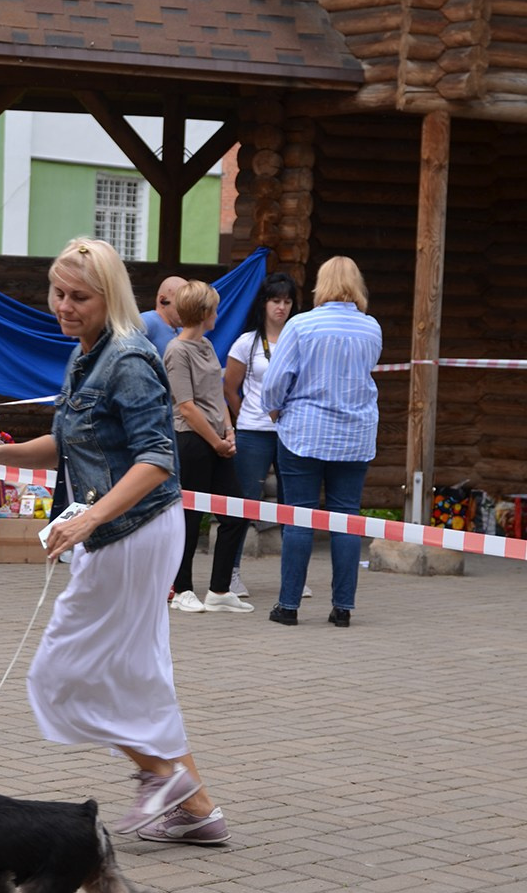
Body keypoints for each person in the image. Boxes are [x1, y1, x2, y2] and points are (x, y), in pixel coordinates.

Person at [0, 238, 229, 845]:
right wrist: (2, 452)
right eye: (58, 293)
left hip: (135, 530)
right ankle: (198, 811)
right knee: (136, 673)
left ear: (111, 297)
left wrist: (89, 519)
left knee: (61, 674)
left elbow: (158, 458)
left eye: (79, 296)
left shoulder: (129, 358)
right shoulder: (86, 355)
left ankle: (165, 779)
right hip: (120, 529)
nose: (64, 306)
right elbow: (73, 441)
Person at [260, 255, 383, 627]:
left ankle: (288, 607)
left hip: (305, 433)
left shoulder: (302, 325)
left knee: (299, 517)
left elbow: (275, 380)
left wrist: (274, 410)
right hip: (355, 434)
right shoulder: (371, 328)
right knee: (346, 517)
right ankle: (343, 608)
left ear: (321, 284)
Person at [164, 279, 253, 615]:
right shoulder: (176, 351)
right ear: (203, 312)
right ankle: (181, 588)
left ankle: (219, 589)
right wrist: (215, 441)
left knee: (236, 512)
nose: (218, 312)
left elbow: (216, 395)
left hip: (217, 442)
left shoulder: (205, 346)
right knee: (190, 517)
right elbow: (185, 405)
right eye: (214, 307)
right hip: (192, 442)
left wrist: (229, 432)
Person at [222, 271, 311, 600]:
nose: (281, 307)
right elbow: (229, 388)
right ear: (263, 304)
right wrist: (246, 413)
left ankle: (295, 578)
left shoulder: (301, 339)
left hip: (292, 431)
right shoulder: (247, 342)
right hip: (254, 432)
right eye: (275, 300)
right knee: (245, 499)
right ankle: (229, 573)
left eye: (287, 301)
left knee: (294, 503)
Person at [140, 275, 184, 358]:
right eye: (182, 303)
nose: (187, 309)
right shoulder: (146, 322)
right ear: (162, 300)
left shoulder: (182, 331)